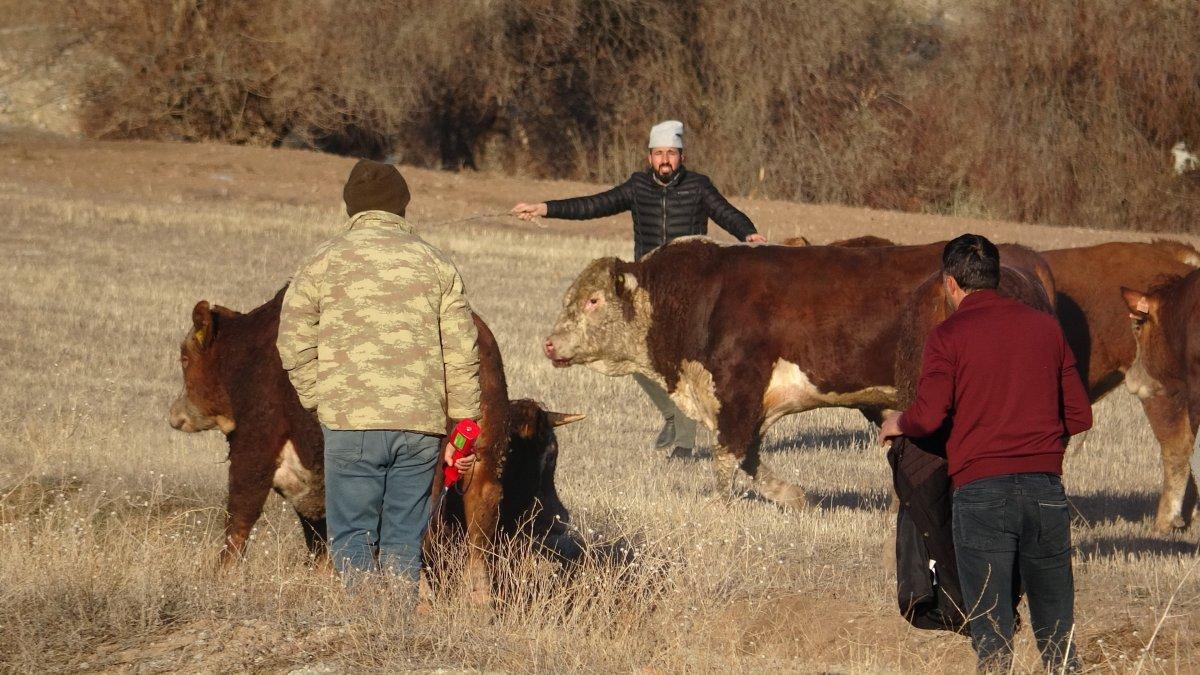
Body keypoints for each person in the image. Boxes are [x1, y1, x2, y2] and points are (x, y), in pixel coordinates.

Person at [879, 234, 1092, 672]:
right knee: (1058, 636)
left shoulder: (947, 335)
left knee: (992, 637)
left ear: (950, 283)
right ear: (996, 277)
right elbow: (1080, 415)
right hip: (1046, 495)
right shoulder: (1046, 328)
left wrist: (898, 422)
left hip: (981, 497)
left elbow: (928, 418)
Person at [277, 159, 481, 588]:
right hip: (420, 428)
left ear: (350, 205)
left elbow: (292, 342)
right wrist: (463, 426)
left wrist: (320, 399)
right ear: (402, 205)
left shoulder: (322, 261)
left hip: (350, 423)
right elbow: (463, 351)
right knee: (403, 544)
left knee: (352, 538)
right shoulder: (436, 263)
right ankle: (394, 624)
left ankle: (368, 624)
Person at [512, 120, 766, 459]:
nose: (665, 160)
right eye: (659, 153)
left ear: (682, 156)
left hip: (690, 289)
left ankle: (684, 442)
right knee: (633, 356)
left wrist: (747, 233)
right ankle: (673, 414)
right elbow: (594, 204)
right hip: (644, 289)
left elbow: (726, 213)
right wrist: (545, 208)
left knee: (680, 363)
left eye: (671, 153)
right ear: (649, 157)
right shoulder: (637, 187)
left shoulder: (698, 186)